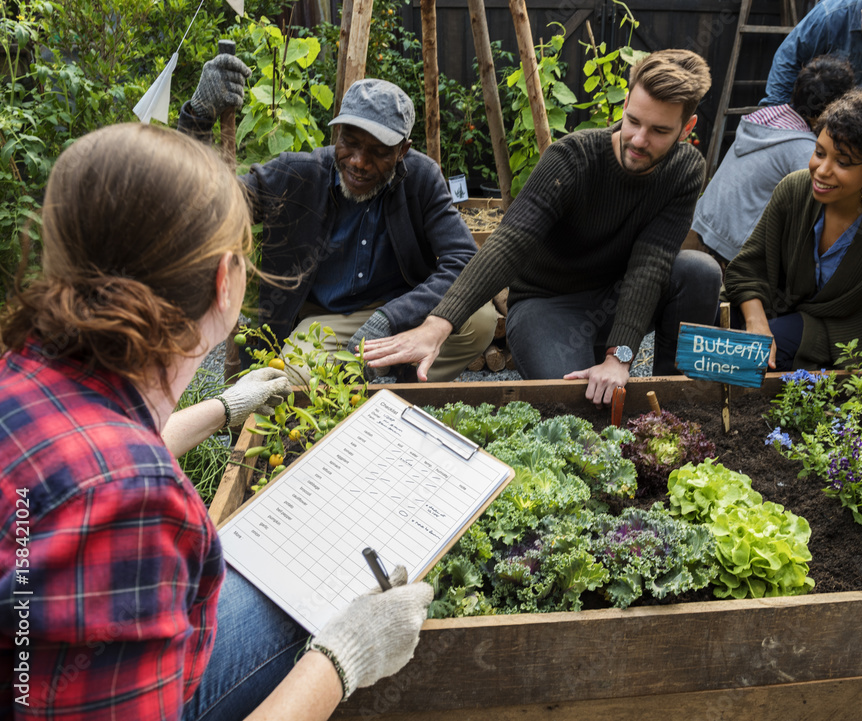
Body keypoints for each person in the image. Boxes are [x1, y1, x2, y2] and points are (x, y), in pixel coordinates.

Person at [0, 123, 432, 720]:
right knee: (305, 600)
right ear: (225, 283)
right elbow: (107, 485)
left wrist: (224, 407)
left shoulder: (21, 374)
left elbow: (79, 462)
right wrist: (339, 660)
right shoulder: (132, 505)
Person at [361, 49, 723, 406]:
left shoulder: (685, 170)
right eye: (634, 121)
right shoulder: (573, 158)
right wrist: (438, 324)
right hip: (547, 308)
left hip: (615, 300)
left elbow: (650, 266)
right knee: (576, 410)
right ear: (626, 103)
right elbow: (509, 243)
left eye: (659, 131)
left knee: (698, 271)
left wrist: (621, 357)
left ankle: (674, 402)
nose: (640, 140)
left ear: (686, 128)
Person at [179, 64, 497, 382]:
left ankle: (397, 387)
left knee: (479, 321)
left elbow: (464, 259)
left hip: (401, 309)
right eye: (350, 142)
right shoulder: (297, 176)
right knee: (284, 385)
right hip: (324, 322)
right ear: (338, 134)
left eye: (378, 151)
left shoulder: (420, 178)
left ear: (403, 151)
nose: (358, 161)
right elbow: (205, 207)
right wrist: (199, 116)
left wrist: (391, 317)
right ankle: (356, 387)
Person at [724, 81, 862, 395]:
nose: (821, 170)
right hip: (778, 314)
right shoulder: (795, 190)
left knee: (758, 355)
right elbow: (749, 268)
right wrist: (756, 324)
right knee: (723, 339)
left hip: (842, 340)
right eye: (819, 152)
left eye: (842, 163)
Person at [686, 55, 854, 265]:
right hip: (729, 254)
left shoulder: (764, 118)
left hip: (696, 227)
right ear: (832, 109)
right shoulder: (804, 150)